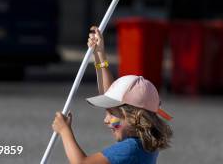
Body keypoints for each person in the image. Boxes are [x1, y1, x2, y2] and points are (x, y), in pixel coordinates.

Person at [52, 27, 173, 164]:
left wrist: (64, 130)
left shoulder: (130, 148)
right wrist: (99, 55)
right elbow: (110, 96)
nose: (105, 120)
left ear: (134, 116)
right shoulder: (145, 143)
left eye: (110, 113)